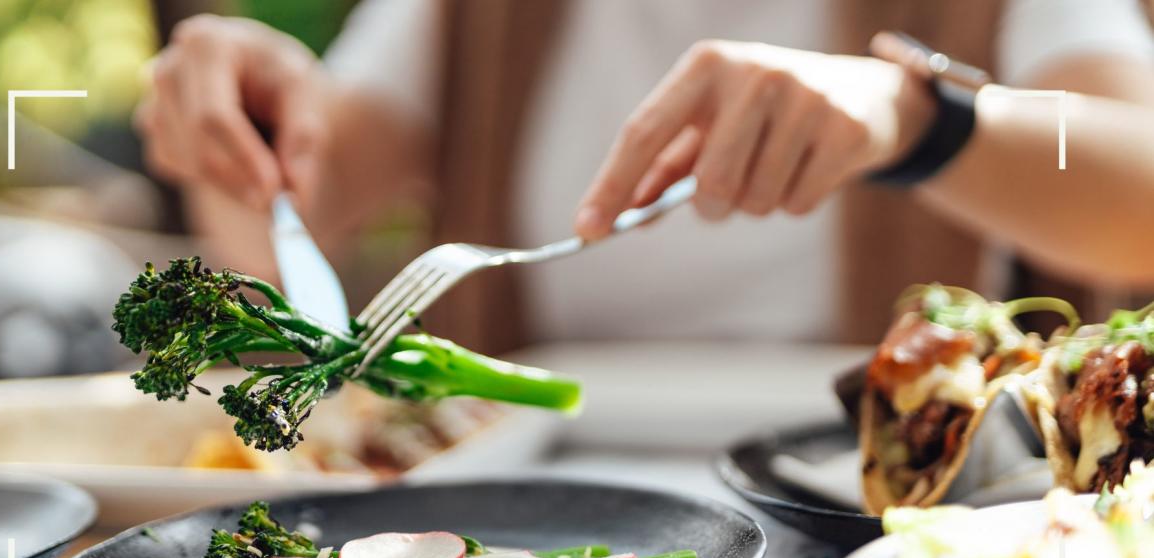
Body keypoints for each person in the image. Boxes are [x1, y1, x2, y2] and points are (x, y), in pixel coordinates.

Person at [135, 0, 1154, 351]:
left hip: (877, 526)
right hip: (537, 532)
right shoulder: (473, 19)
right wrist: (229, 127)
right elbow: (283, 224)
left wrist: (915, 120)